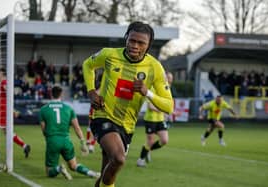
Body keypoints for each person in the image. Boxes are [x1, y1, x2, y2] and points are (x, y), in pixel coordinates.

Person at [83, 21, 173, 187]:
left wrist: (148, 93)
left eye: (141, 43)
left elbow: (169, 106)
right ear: (126, 38)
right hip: (102, 116)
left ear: (148, 45)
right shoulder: (109, 54)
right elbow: (88, 65)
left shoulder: (155, 68)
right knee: (118, 159)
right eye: (132, 40)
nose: (135, 46)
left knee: (106, 175)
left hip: (127, 126)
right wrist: (91, 91)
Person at [39, 85, 100, 180]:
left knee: (49, 171)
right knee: (73, 165)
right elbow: (77, 127)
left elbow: (44, 129)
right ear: (61, 95)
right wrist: (83, 142)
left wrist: (49, 138)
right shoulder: (68, 109)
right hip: (66, 141)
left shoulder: (43, 110)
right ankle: (91, 173)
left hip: (53, 140)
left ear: (51, 94)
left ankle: (59, 168)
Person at [136, 72, 174, 167]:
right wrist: (163, 109)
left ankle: (148, 150)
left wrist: (167, 112)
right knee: (150, 141)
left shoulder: (166, 90)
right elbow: (150, 106)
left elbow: (167, 105)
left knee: (164, 140)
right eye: (167, 77)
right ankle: (140, 160)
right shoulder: (152, 89)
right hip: (150, 119)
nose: (169, 79)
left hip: (160, 120)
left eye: (170, 78)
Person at [0, 68, 31, 158]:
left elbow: (9, 92)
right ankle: (24, 146)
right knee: (7, 132)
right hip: (4, 110)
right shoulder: (1, 84)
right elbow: (3, 95)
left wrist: (13, 91)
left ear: (2, 73)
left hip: (1, 111)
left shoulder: (4, 82)